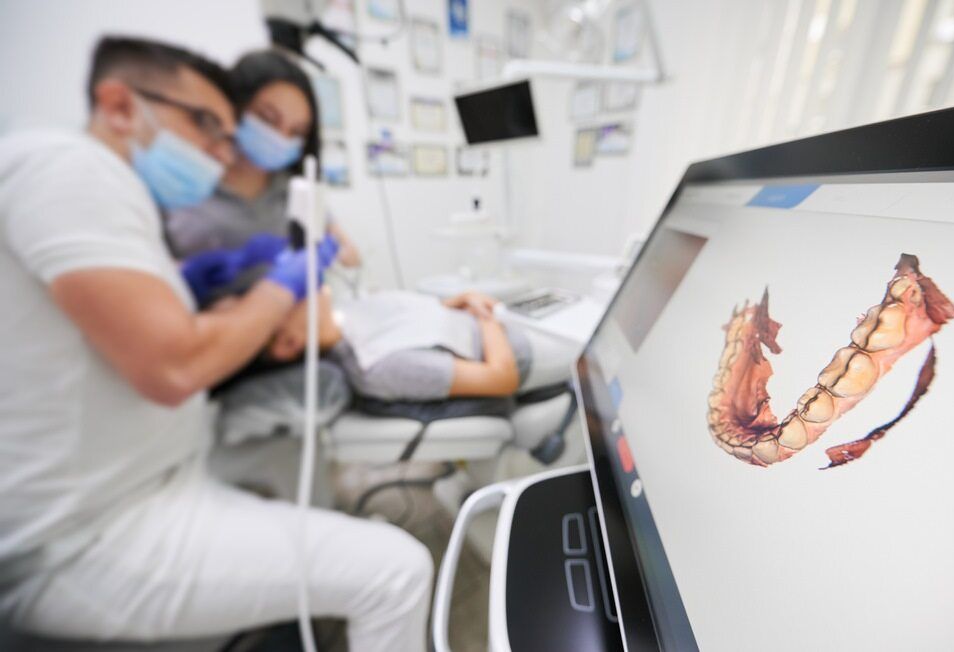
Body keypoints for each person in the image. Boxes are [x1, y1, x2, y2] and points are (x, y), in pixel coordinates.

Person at [0, 36, 431, 651]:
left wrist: (191, 288)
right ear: (120, 106)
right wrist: (282, 286)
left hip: (152, 478)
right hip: (89, 533)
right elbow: (178, 364)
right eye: (207, 124)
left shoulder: (113, 192)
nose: (220, 151)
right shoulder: (69, 168)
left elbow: (129, 325)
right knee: (397, 572)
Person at [167, 48, 360, 308]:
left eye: (296, 131)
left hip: (289, 334)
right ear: (233, 105)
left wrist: (320, 258)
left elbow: (349, 255)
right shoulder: (186, 183)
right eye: (268, 119)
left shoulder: (295, 190)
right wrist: (188, 277)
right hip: (204, 334)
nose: (280, 137)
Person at [267, 288, 578, 402]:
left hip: (494, 322)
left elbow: (411, 316)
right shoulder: (380, 366)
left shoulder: (346, 314)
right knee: (598, 339)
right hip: (517, 349)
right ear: (290, 343)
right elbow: (502, 379)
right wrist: (487, 320)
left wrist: (462, 299)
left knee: (571, 300)